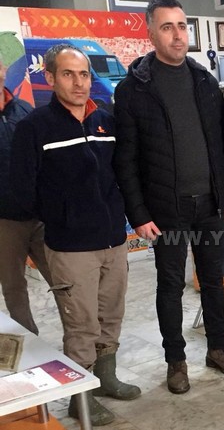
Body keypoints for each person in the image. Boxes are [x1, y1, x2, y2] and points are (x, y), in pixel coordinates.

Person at [113, 0, 224, 393]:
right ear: (151, 33)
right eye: (167, 27)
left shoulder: (205, 82)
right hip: (165, 208)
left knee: (213, 280)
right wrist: (138, 214)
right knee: (170, 286)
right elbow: (126, 160)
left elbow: (220, 148)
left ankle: (218, 348)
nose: (177, 35)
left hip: (210, 204)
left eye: (182, 26)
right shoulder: (133, 90)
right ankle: (176, 361)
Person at [10, 43, 140, 426]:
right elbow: (23, 189)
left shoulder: (105, 123)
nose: (79, 82)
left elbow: (121, 173)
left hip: (113, 240)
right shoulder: (34, 127)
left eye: (83, 74)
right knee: (81, 325)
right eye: (68, 74)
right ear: (50, 77)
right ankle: (79, 398)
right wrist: (62, 216)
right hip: (70, 247)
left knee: (110, 315)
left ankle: (106, 378)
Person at [0, 52, 53, 336]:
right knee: (13, 286)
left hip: (39, 217)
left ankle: (80, 340)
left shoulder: (24, 110)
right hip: (5, 222)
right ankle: (32, 345)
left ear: (3, 69)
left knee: (61, 279)